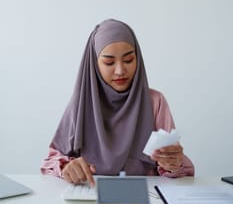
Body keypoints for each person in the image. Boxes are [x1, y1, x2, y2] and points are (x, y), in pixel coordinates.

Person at [41, 19, 194, 186]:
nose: (120, 71)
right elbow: (51, 160)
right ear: (94, 64)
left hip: (144, 198)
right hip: (90, 196)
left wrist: (173, 163)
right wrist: (67, 167)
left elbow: (178, 170)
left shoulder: (154, 102)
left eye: (128, 60)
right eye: (109, 62)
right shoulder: (82, 103)